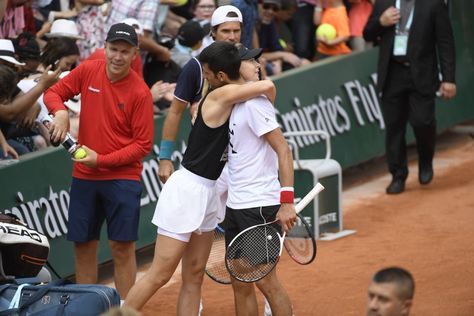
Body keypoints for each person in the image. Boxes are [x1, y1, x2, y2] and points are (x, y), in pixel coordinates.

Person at [124, 42, 276, 314]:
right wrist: (257, 80)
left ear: (219, 74)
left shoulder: (229, 95)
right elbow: (267, 87)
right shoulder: (219, 95)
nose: (202, 78)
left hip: (208, 193)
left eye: (205, 73)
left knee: (194, 275)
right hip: (187, 191)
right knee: (160, 274)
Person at [43, 23, 154, 299]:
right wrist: (60, 113)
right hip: (85, 177)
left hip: (122, 180)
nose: (117, 56)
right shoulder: (89, 69)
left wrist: (100, 160)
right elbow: (53, 93)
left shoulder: (140, 93)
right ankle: (87, 306)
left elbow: (143, 145)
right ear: (105, 48)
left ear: (134, 54)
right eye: (113, 49)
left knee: (122, 248)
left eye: (124, 51)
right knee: (83, 245)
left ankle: (126, 308)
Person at [224, 45, 296, 316]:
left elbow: (283, 150)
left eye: (257, 59)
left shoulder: (256, 104)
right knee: (240, 282)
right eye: (250, 60)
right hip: (237, 205)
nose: (257, 63)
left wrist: (286, 201)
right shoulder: (230, 105)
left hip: (260, 205)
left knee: (266, 280)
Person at [363, 0, 456, 194]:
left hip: (422, 74)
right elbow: (367, 33)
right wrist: (381, 21)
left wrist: (449, 78)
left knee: (423, 121)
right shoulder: (384, 3)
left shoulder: (433, 4)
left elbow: (445, 42)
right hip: (392, 73)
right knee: (394, 128)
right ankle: (398, 175)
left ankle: (425, 160)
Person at [158, 5, 243, 184]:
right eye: (226, 31)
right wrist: (165, 158)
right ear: (213, 33)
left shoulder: (249, 62)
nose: (232, 37)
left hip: (242, 160)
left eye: (236, 31)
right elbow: (175, 112)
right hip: (205, 163)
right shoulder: (196, 67)